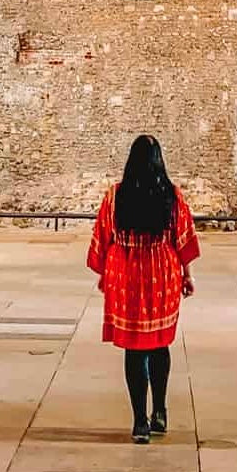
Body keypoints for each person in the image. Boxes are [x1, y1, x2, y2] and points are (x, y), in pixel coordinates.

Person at [87, 135, 200, 444]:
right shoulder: (171, 195)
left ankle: (140, 422)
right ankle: (160, 411)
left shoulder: (115, 196)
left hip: (125, 276)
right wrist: (187, 276)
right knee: (160, 343)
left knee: (134, 349)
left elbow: (103, 236)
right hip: (162, 274)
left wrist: (105, 273)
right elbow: (182, 238)